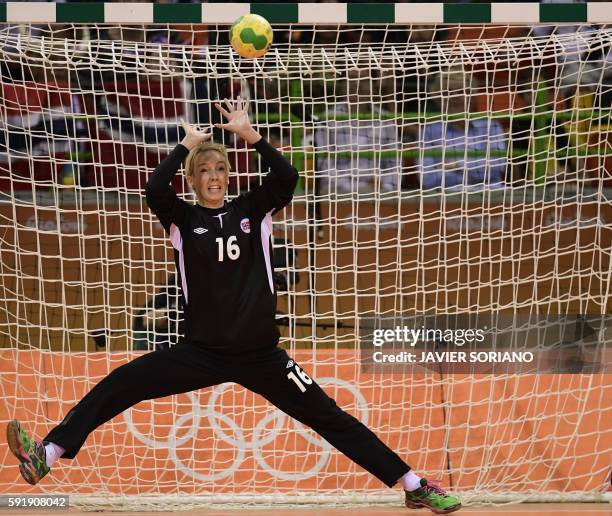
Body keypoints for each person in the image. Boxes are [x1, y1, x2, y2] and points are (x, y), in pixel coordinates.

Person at [6, 97, 461, 514]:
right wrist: (185, 146)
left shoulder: (253, 208)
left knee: (331, 417)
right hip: (201, 352)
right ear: (194, 180)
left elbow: (287, 178)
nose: (215, 177)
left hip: (261, 354)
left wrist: (251, 137)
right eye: (205, 171)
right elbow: (154, 191)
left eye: (221, 169)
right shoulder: (183, 219)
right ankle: (47, 454)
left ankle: (413, 484)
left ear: (229, 175)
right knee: (121, 383)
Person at [420, 69, 507, 191]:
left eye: (462, 92)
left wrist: (455, 165)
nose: (456, 97)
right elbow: (427, 178)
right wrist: (473, 173)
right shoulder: (429, 131)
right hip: (447, 200)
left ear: (472, 96)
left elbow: (496, 167)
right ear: (438, 99)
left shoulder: (491, 126)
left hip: (491, 197)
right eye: (448, 92)